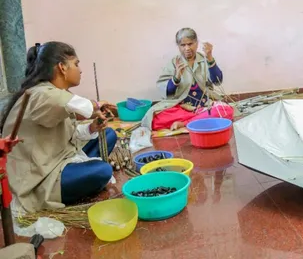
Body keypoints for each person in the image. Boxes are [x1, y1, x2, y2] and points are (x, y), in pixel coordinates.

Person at [1, 42, 118, 212]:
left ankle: (84, 172)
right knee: (103, 171)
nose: (80, 70)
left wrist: (92, 127)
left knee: (108, 134)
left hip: (58, 155)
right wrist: (97, 105)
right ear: (62, 67)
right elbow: (81, 106)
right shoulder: (42, 94)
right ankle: (80, 179)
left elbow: (66, 134)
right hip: (40, 175)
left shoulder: (55, 95)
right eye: (76, 64)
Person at [142, 28, 234, 130]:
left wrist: (210, 58)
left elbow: (217, 81)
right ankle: (201, 119)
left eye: (190, 44)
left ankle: (186, 123)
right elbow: (166, 92)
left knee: (226, 110)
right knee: (156, 119)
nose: (187, 48)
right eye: (183, 45)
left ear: (197, 43)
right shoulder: (174, 63)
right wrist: (176, 77)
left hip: (205, 106)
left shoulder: (204, 60)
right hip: (182, 109)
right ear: (178, 46)